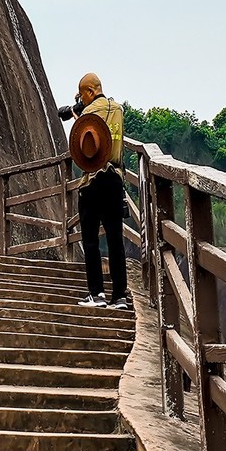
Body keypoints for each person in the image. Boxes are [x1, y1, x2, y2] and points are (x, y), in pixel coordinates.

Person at [58, 73, 131, 309]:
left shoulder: (88, 113)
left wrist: (78, 114)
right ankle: (119, 296)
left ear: (90, 92)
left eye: (83, 95)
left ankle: (97, 294)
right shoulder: (118, 110)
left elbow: (82, 148)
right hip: (115, 180)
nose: (82, 99)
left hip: (93, 181)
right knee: (115, 239)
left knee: (90, 240)